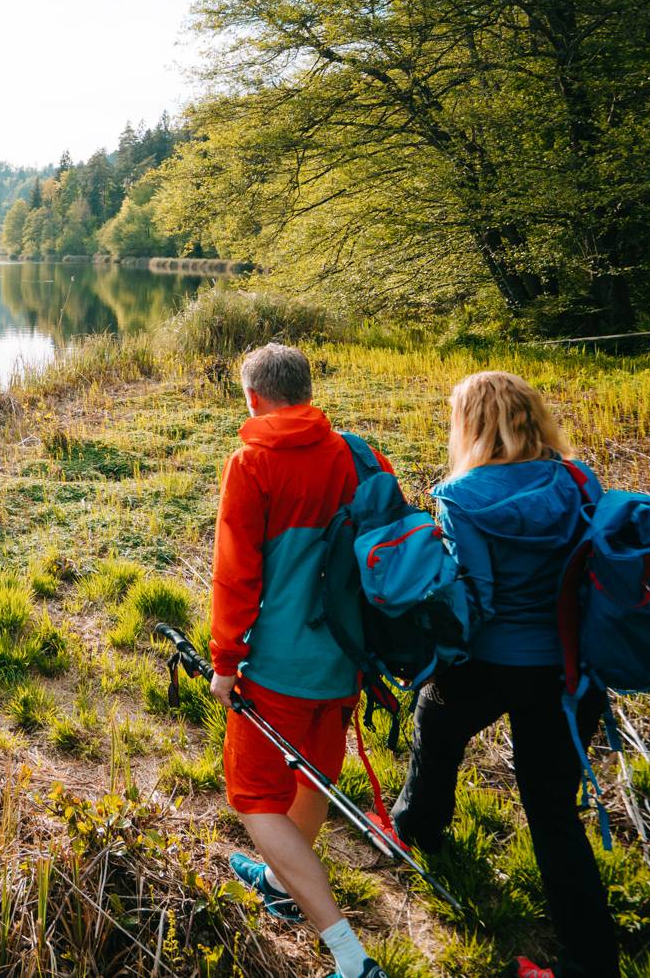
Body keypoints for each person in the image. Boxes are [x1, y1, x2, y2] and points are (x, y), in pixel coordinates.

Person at [390, 371, 619, 978]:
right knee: (551, 811)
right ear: (531, 416)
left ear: (471, 425)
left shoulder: (461, 495)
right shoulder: (580, 480)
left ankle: (418, 828)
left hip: (495, 660)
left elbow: (478, 600)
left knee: (436, 724)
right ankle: (590, 959)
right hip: (571, 669)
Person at [210, 341, 393, 978]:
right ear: (307, 392)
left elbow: (236, 576)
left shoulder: (252, 461)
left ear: (254, 398)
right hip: (346, 660)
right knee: (313, 778)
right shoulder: (358, 452)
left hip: (279, 668)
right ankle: (283, 887)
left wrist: (226, 662)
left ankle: (348, 954)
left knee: (256, 800)